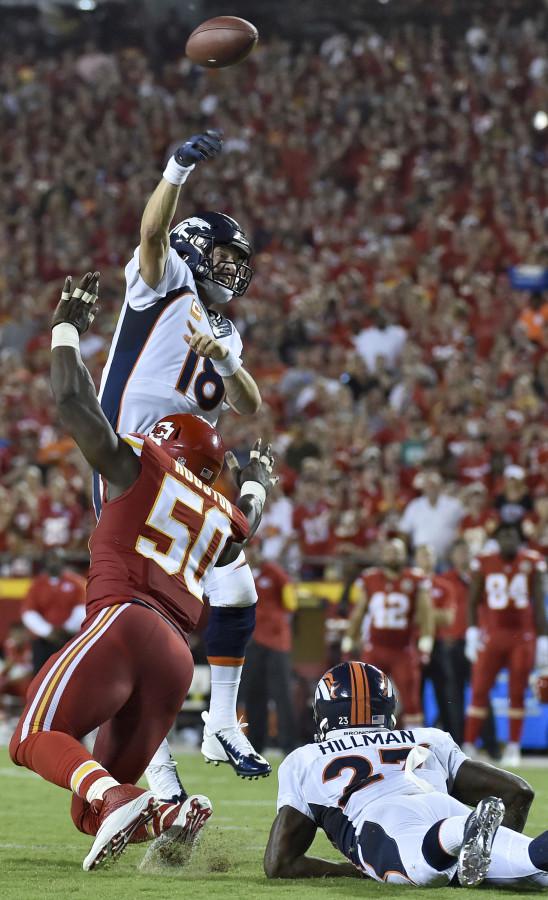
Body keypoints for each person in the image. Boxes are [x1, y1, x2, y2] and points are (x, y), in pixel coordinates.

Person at [9, 273, 275, 872]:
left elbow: (74, 403)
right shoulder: (221, 510)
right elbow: (247, 521)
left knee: (31, 736)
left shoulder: (143, 466)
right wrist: (256, 481)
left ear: (164, 445)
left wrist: (66, 330)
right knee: (92, 808)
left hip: (126, 621)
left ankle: (125, 797)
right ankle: (164, 812)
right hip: (176, 656)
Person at [95, 130, 269, 790]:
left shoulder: (225, 331)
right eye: (223, 255)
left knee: (237, 584)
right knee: (148, 618)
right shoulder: (163, 281)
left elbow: (247, 401)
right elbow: (149, 233)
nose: (232, 269)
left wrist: (224, 357)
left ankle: (223, 720)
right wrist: (176, 168)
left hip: (183, 475)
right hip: (127, 461)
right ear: (195, 248)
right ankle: (163, 783)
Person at [264, 661, 548, 889]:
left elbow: (280, 863)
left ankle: (461, 832)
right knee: (534, 864)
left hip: (385, 819)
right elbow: (518, 791)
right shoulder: (426, 737)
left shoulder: (306, 758)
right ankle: (468, 834)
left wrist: (348, 870)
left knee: (423, 872)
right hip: (446, 806)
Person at [464, 522, 548, 767]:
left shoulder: (532, 561)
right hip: (492, 635)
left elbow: (538, 602)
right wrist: (471, 632)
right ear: (497, 540)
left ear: (519, 540)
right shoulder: (484, 562)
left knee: (517, 693)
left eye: (513, 535)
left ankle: (513, 746)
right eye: (504, 535)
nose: (509, 540)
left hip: (521, 637)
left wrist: (543, 639)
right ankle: (469, 743)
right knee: (479, 690)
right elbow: (473, 600)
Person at [342, 538, 434, 725]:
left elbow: (426, 614)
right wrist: (348, 639)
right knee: (366, 699)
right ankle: (367, 743)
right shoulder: (370, 578)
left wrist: (426, 643)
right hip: (375, 648)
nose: (393, 555)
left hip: (403, 650)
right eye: (389, 551)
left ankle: (416, 747)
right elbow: (359, 612)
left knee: (411, 701)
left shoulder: (415, 579)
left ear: (404, 555)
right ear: (382, 555)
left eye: (397, 551)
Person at [239, 542, 297, 757]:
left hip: (276, 643)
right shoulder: (241, 573)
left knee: (282, 695)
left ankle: (289, 744)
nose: (248, 553)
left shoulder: (274, 573)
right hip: (252, 642)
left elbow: (291, 602)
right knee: (254, 695)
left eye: (251, 549)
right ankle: (255, 745)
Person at [414, 544, 460, 739]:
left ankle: (455, 742)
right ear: (416, 559)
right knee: (414, 696)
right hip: (413, 645)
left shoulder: (444, 586)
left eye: (430, 555)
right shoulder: (409, 583)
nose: (427, 559)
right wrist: (433, 614)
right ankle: (416, 741)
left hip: (438, 644)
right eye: (423, 555)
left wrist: (422, 614)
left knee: (446, 696)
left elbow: (448, 619)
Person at [21, 552, 86, 674]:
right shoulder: (36, 585)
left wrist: (66, 628)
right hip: (43, 640)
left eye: (57, 559)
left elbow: (82, 608)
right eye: (51, 560)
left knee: (70, 674)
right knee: (41, 675)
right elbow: (29, 612)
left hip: (70, 638)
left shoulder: (77, 583)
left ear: (63, 561)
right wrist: (48, 631)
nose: (54, 563)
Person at [398, 471, 464, 563]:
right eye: (428, 486)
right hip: (421, 559)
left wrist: (455, 550)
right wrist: (405, 554)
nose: (431, 489)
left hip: (447, 558)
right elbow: (404, 532)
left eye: (434, 485)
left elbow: (463, 527)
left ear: (440, 486)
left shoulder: (453, 505)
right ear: (423, 488)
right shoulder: (414, 506)